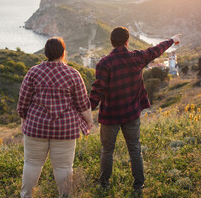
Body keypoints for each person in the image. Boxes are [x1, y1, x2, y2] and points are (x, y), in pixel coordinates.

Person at [89, 27, 180, 190]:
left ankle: (104, 184)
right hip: (131, 114)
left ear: (111, 42)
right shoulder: (137, 57)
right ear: (127, 41)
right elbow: (156, 50)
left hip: (110, 116)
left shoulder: (104, 63)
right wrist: (172, 40)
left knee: (107, 150)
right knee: (135, 149)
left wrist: (85, 111)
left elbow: (97, 91)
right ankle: (138, 184)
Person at [17, 37, 93, 198]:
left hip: (36, 127)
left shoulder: (33, 72)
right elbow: (82, 104)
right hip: (65, 129)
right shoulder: (73, 74)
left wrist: (24, 119)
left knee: (32, 164)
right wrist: (90, 120)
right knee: (64, 168)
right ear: (63, 52)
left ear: (46, 53)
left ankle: (26, 196)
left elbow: (23, 102)